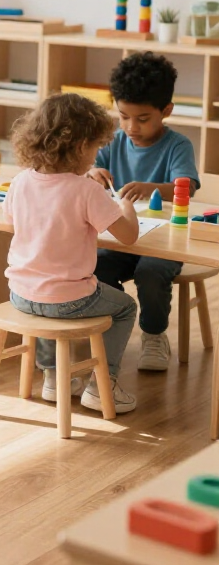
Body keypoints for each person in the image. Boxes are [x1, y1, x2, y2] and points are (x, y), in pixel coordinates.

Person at [6, 94, 140, 413]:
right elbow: (129, 237)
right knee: (125, 307)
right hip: (69, 299)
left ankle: (54, 379)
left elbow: (11, 222)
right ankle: (102, 383)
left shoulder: (20, 181)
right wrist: (127, 208)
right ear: (80, 147)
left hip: (20, 294)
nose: (96, 156)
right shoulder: (86, 190)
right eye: (95, 148)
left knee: (45, 303)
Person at [89, 52, 200, 371]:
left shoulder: (177, 145)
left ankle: (153, 335)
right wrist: (93, 174)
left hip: (164, 240)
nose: (130, 126)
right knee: (99, 264)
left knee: (150, 273)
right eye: (123, 116)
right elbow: (92, 168)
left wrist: (152, 187)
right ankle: (110, 332)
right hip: (123, 237)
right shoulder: (113, 141)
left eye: (142, 118)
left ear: (166, 111)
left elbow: (187, 186)